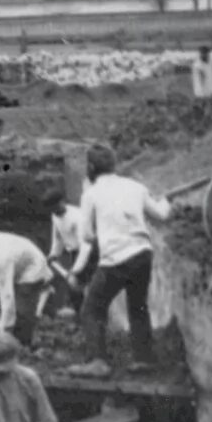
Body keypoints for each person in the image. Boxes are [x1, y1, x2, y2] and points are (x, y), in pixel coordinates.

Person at [66, 144, 171, 378]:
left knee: (92, 309)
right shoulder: (135, 186)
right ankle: (144, 359)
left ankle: (98, 361)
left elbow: (86, 236)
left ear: (91, 167)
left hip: (115, 258)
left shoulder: (90, 194)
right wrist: (164, 200)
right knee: (138, 306)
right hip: (143, 253)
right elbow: (162, 215)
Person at [44, 191, 88, 316]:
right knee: (74, 287)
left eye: (56, 207)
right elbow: (58, 238)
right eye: (51, 209)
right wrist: (54, 254)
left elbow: (84, 244)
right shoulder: (55, 216)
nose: (54, 212)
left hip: (86, 252)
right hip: (73, 253)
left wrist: (76, 269)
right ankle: (80, 317)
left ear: (62, 202)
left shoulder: (77, 216)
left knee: (78, 284)